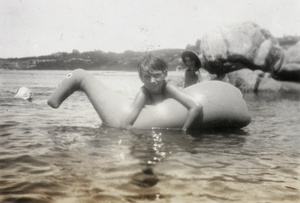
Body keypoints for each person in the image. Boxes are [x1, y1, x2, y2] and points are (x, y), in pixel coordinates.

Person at [120, 54, 203, 131]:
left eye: (156, 75)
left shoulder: (168, 87)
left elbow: (196, 106)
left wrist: (185, 131)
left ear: (165, 74)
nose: (152, 81)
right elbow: (125, 124)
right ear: (141, 78)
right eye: (147, 77)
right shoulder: (143, 93)